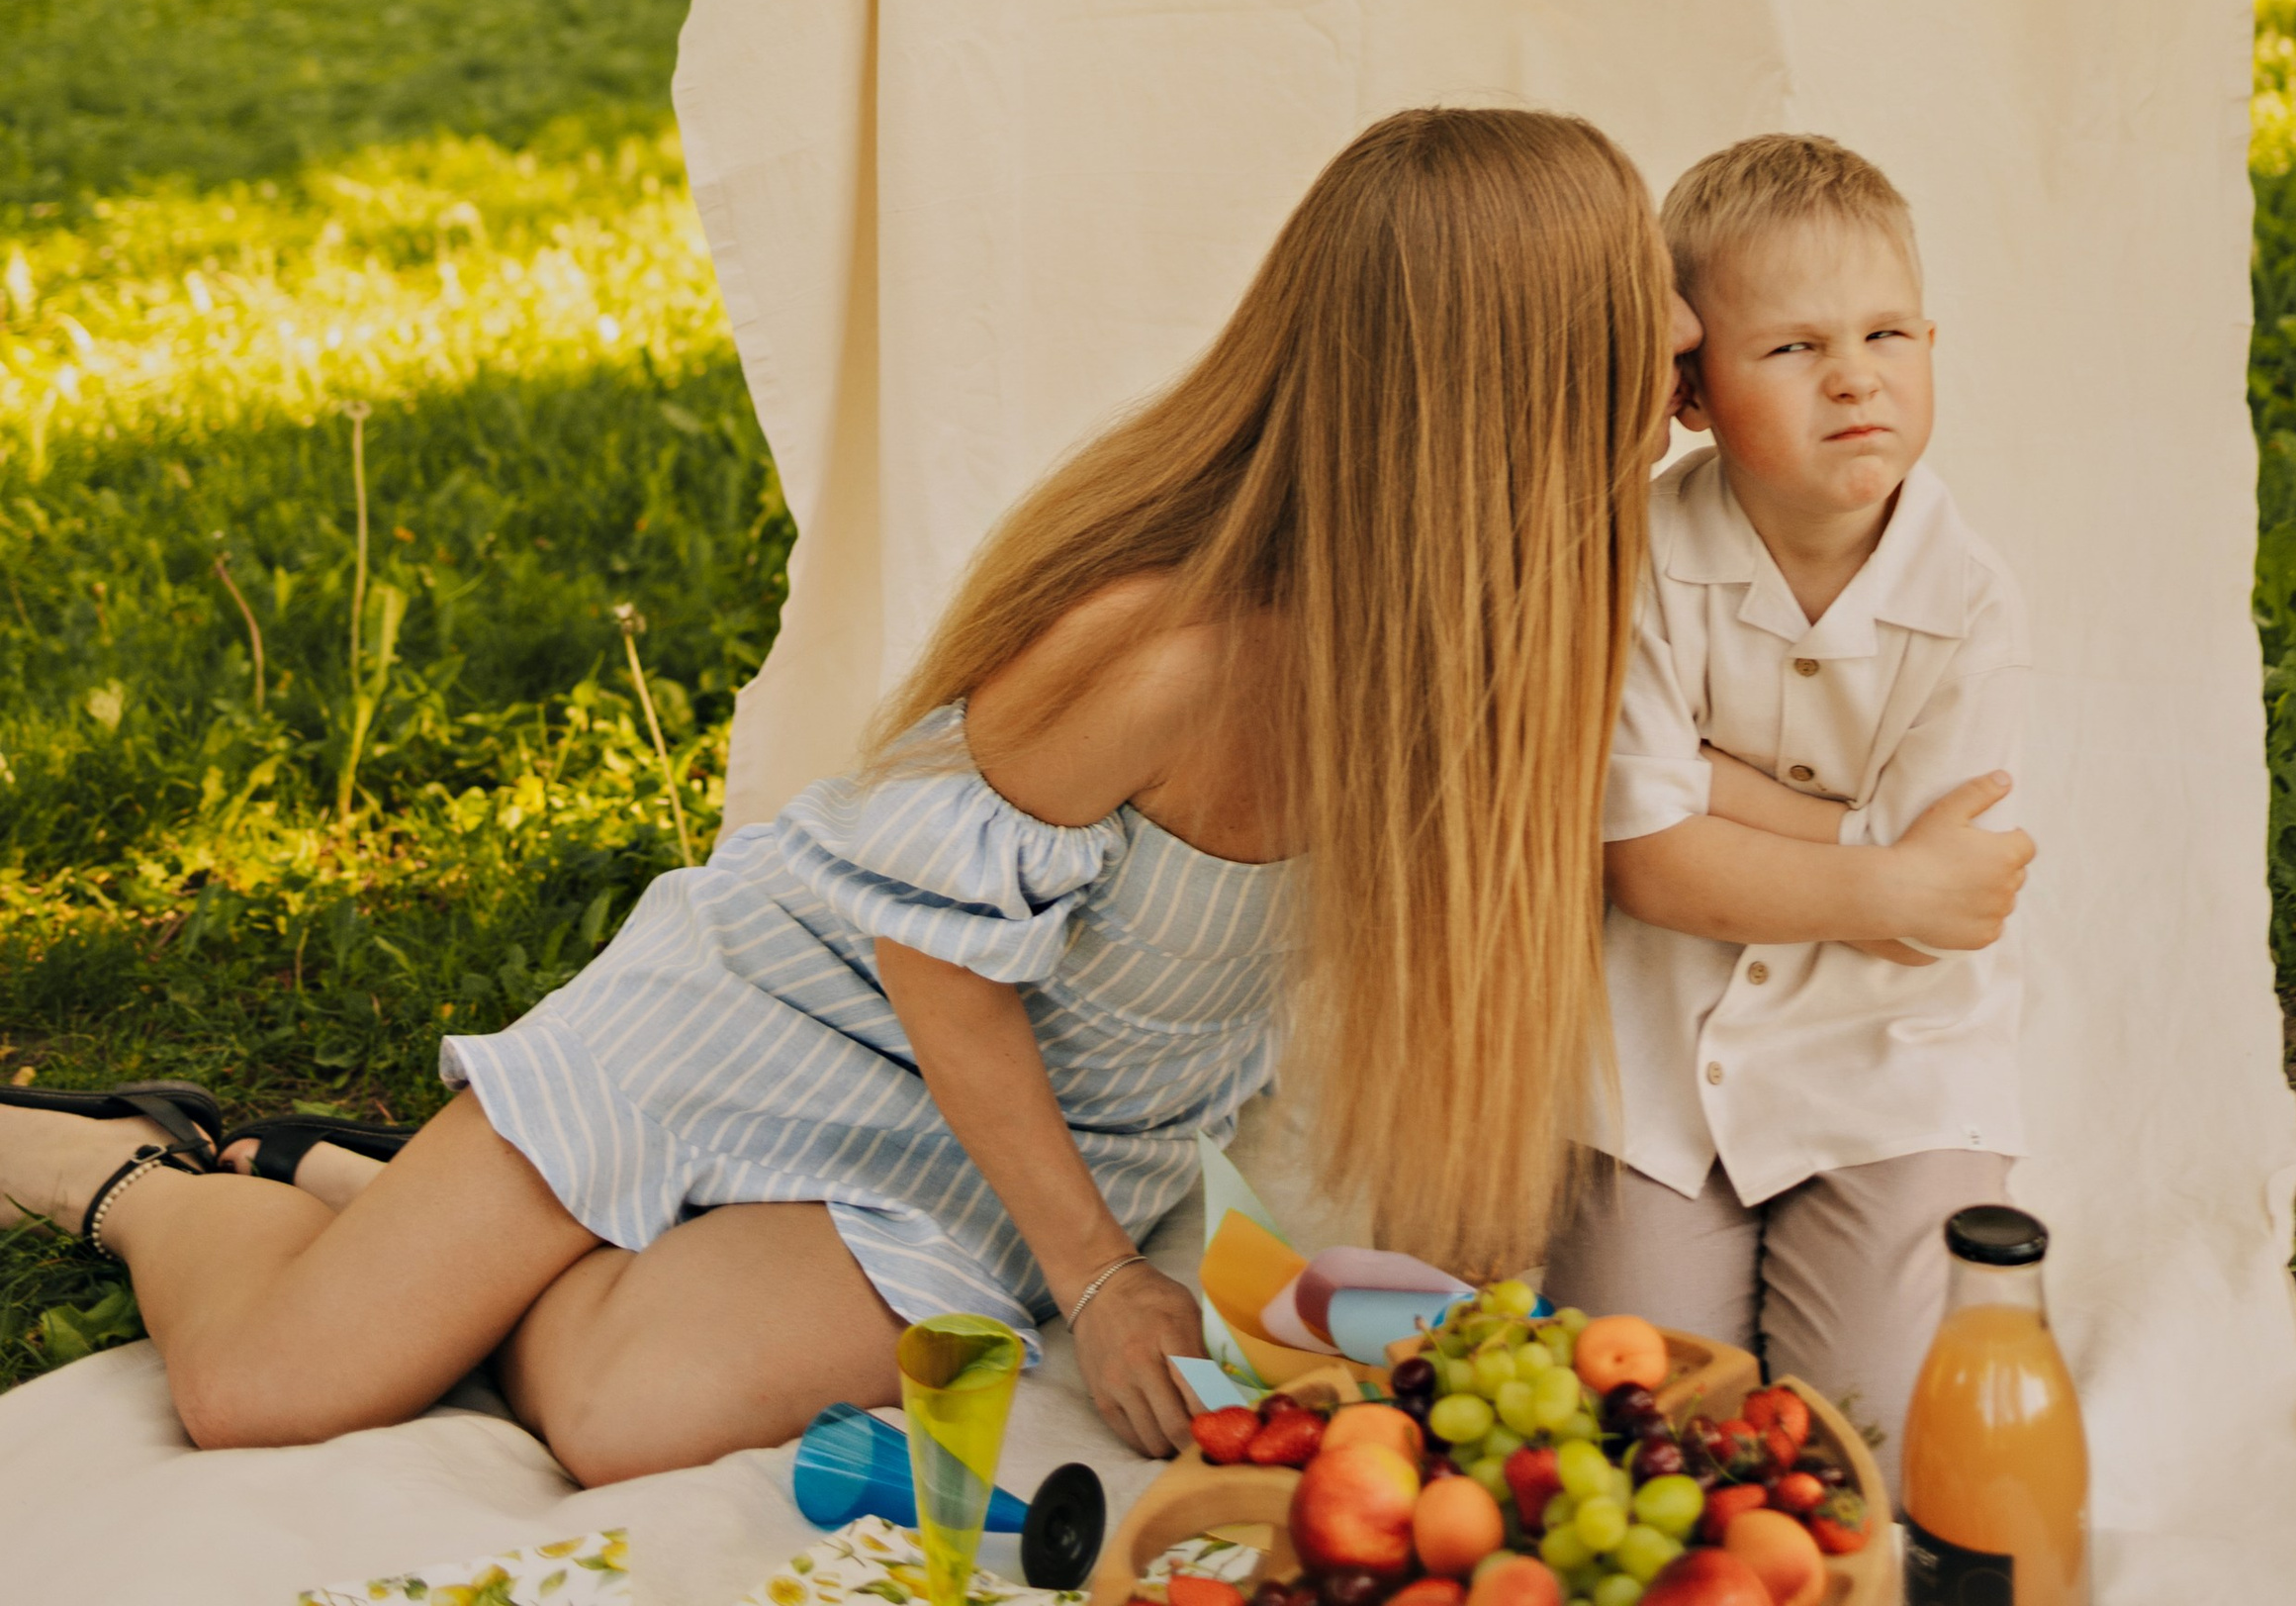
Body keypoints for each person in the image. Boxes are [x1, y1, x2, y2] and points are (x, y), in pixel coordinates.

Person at [0, 106, 1671, 1486]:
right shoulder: (1168, 651)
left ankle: (375, 1197)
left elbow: (1677, 826)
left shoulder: (1512, 623)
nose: (1676, 337)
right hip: (793, 1015)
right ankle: (149, 1173)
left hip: (1022, 1140)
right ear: (1506, 374)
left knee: (623, 1418)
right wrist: (1099, 1280)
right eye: (1640, 302)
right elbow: (931, 960)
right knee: (267, 1393)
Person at [1547, 133, 2035, 1449]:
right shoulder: (1637, 557)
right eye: (1793, 347)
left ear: (1931, 344)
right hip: (1658, 1056)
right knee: (1638, 1418)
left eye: (1887, 335)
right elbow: (1649, 866)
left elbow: (1941, 915)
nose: (1854, 377)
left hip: (1891, 1058)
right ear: (1694, 391)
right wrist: (1881, 864)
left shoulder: (1973, 601)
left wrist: (1708, 787)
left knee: (1862, 1434)